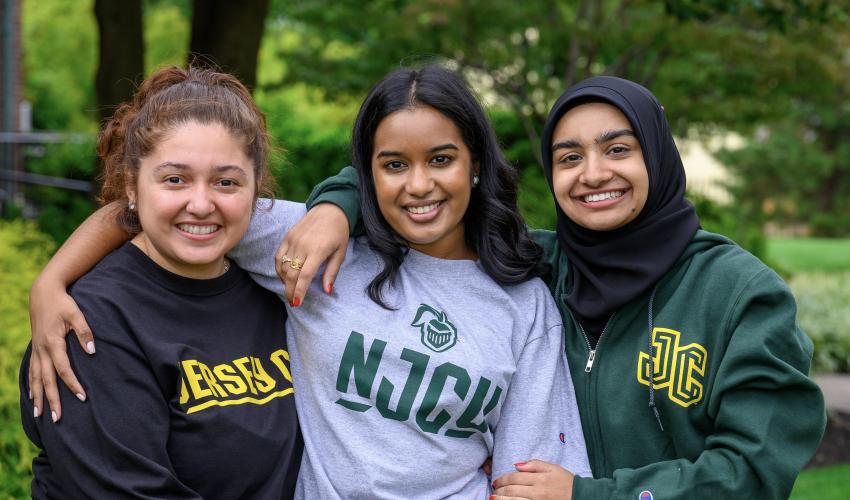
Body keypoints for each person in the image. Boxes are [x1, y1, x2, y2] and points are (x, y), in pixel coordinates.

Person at [26, 65, 591, 498]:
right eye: (393, 164)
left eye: (441, 160)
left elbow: (528, 476)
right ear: (366, 173)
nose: (419, 185)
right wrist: (51, 284)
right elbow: (154, 208)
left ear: (475, 163)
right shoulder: (314, 243)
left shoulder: (524, 303)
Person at [249, 75, 827, 499]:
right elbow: (413, 181)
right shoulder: (539, 262)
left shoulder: (738, 294)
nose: (594, 173)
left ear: (658, 154)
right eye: (569, 156)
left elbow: (754, 472)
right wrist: (337, 204)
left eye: (618, 149)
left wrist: (592, 497)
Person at [19, 66, 299, 498]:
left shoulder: (274, 287)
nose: (201, 203)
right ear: (132, 185)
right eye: (175, 180)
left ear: (255, 190)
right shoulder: (90, 322)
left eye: (226, 182)